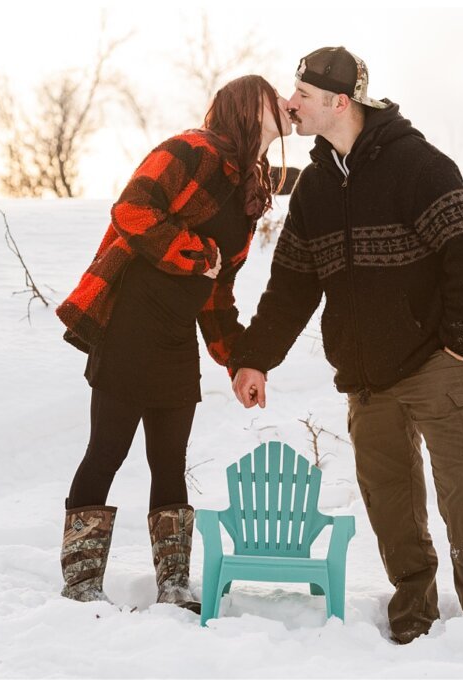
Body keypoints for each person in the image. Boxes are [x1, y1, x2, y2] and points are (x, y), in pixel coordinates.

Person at [229, 47, 463, 643]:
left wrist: (458, 346)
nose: (291, 103)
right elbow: (290, 289)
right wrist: (254, 357)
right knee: (390, 505)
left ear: (339, 101)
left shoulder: (418, 166)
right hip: (364, 378)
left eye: (302, 94)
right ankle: (414, 615)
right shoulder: (315, 190)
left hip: (435, 366)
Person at [55, 75, 291, 613]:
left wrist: (238, 361)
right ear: (243, 107)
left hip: (177, 336)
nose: (282, 101)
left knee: (170, 460)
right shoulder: (191, 150)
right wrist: (194, 252)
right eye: (269, 94)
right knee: (107, 452)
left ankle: (174, 586)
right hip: (132, 325)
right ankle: (81, 585)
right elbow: (132, 209)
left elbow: (218, 292)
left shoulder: (250, 187)